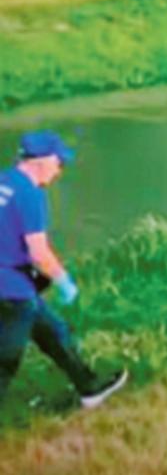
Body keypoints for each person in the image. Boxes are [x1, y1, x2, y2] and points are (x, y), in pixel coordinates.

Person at [0, 131, 127, 409]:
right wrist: (64, 281)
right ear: (42, 161)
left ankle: (89, 387)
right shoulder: (30, 194)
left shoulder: (4, 180)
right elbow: (39, 253)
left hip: (17, 286)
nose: (59, 171)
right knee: (5, 362)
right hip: (11, 291)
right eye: (59, 163)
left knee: (53, 330)